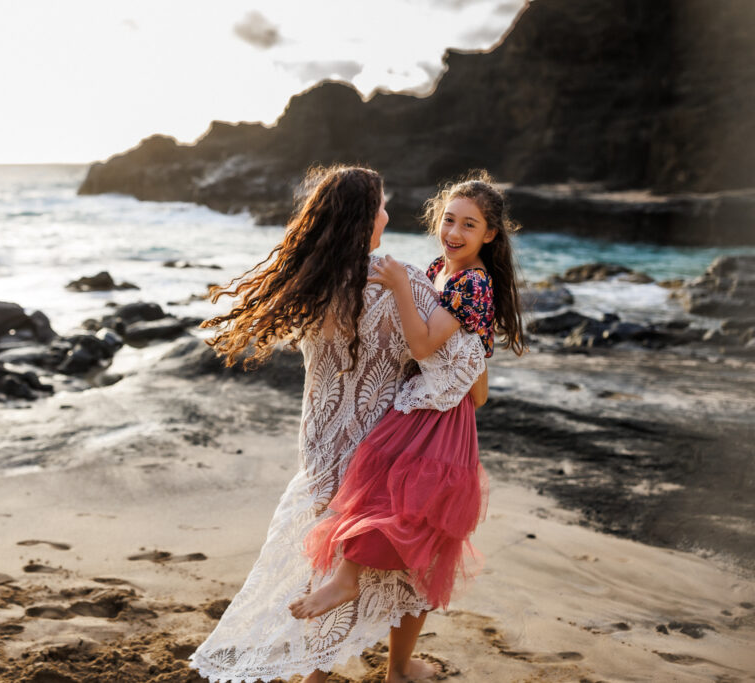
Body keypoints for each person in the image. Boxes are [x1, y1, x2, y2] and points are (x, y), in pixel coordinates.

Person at [189, 165, 490, 683]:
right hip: (385, 445)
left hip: (322, 439)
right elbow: (466, 376)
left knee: (325, 558)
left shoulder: (309, 280)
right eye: (380, 206)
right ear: (363, 218)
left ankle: (326, 672)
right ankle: (388, 669)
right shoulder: (408, 283)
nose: (387, 215)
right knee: (416, 558)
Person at [290, 171, 527, 632]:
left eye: (469, 226)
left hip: (441, 412)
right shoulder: (440, 272)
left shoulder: (473, 284)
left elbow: (422, 346)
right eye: (449, 220)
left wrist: (399, 284)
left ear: (490, 234)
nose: (454, 233)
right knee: (379, 481)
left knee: (391, 493)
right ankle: (370, 614)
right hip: (426, 398)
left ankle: (347, 579)